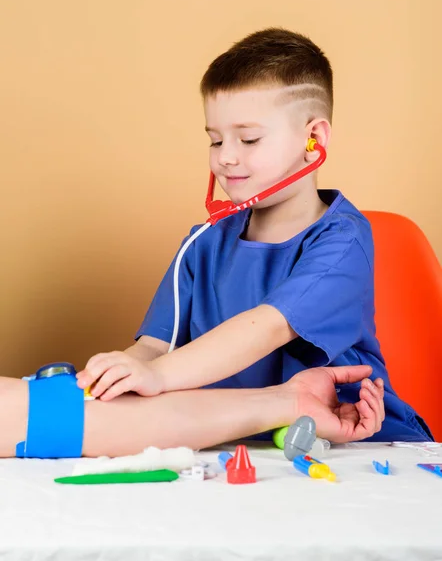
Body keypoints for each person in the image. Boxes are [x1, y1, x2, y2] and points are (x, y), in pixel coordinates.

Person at [3, 28, 430, 460]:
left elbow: (266, 327)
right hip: (237, 440)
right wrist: (122, 373)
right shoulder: (203, 244)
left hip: (349, 437)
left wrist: (158, 377)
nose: (226, 156)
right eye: (215, 139)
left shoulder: (342, 240)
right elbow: (156, 345)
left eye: (248, 139)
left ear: (313, 140)